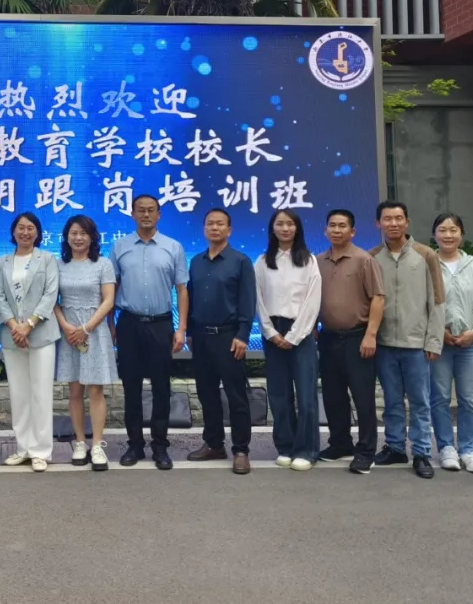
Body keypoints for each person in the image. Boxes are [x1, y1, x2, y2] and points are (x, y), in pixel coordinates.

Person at [110, 194, 188, 471]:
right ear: (132, 214)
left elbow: (181, 289)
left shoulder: (173, 247)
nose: (146, 214)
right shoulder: (119, 246)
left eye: (151, 210)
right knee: (131, 387)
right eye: (140, 210)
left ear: (159, 215)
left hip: (160, 324)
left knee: (161, 388)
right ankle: (134, 444)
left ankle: (160, 445)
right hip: (128, 324)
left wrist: (181, 329)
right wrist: (110, 325)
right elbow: (111, 287)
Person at [370, 201, 445, 479]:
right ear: (378, 223)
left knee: (420, 402)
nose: (393, 223)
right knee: (391, 401)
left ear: (407, 222)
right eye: (387, 219)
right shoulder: (372, 257)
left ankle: (422, 452)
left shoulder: (426, 255)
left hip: (416, 344)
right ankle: (395, 447)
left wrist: (434, 341)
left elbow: (437, 301)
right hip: (384, 344)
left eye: (398, 218)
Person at [186, 208, 256, 475]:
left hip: (229, 337)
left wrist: (243, 334)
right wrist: (190, 331)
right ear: (204, 229)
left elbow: (248, 301)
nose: (214, 228)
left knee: (236, 395)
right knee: (207, 394)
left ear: (229, 230)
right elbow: (190, 297)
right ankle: (214, 444)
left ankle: (241, 450)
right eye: (210, 224)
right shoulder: (196, 261)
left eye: (220, 224)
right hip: (201, 336)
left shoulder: (241, 261)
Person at [316, 209, 385, 475]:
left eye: (342, 225)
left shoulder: (364, 260)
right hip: (328, 338)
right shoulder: (318, 261)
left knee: (362, 396)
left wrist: (371, 334)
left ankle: (365, 451)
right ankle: (340, 443)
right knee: (333, 396)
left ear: (352, 231)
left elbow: (378, 298)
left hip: (358, 337)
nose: (337, 230)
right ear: (325, 230)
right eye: (332, 225)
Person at [0, 212, 61, 472]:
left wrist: (29, 325)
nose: (25, 232)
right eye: (20, 227)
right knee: (19, 394)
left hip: (40, 334)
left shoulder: (48, 259)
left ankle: (41, 451)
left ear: (37, 232)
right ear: (13, 231)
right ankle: (23, 448)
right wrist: (15, 327)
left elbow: (50, 294)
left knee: (41, 392)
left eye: (30, 228)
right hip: (13, 337)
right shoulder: (3, 262)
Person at [255, 210, 321, 471]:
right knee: (279, 395)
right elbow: (257, 299)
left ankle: (306, 450)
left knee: (306, 395)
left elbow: (312, 301)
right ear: (272, 228)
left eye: (290, 224)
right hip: (273, 331)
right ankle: (285, 446)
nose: (285, 228)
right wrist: (270, 332)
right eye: (279, 223)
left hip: (301, 332)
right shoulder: (263, 262)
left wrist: (294, 336)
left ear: (297, 228)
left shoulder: (308, 260)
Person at [54, 215, 117, 472]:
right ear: (66, 237)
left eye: (83, 233)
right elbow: (52, 300)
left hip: (95, 331)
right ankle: (80, 442)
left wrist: (86, 328)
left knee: (95, 391)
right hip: (69, 333)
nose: (78, 237)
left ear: (92, 237)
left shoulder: (103, 264)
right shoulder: (58, 265)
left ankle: (98, 445)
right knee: (75, 391)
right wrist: (66, 326)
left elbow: (108, 300)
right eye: (74, 233)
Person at [431, 212, 473, 475]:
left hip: (470, 344)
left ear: (461, 234)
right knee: (439, 398)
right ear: (434, 234)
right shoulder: (428, 264)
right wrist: (438, 331)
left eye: (453, 230)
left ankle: (468, 449)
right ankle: (446, 448)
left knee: (469, 399)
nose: (448, 235)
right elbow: (423, 304)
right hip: (439, 343)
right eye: (442, 230)